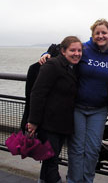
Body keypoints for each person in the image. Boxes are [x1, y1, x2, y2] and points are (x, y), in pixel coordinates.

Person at [39, 19, 108, 183]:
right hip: (77, 107)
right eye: (97, 33)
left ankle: (87, 180)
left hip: (99, 110)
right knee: (76, 148)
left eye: (104, 33)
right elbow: (62, 50)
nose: (100, 36)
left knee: (93, 149)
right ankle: (73, 179)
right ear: (92, 35)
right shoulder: (84, 49)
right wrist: (45, 55)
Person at [27, 36, 82, 183]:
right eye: (72, 50)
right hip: (49, 124)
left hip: (61, 124)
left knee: (49, 160)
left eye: (79, 50)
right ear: (63, 51)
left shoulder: (71, 67)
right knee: (51, 162)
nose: (76, 53)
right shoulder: (53, 65)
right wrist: (33, 121)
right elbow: (38, 93)